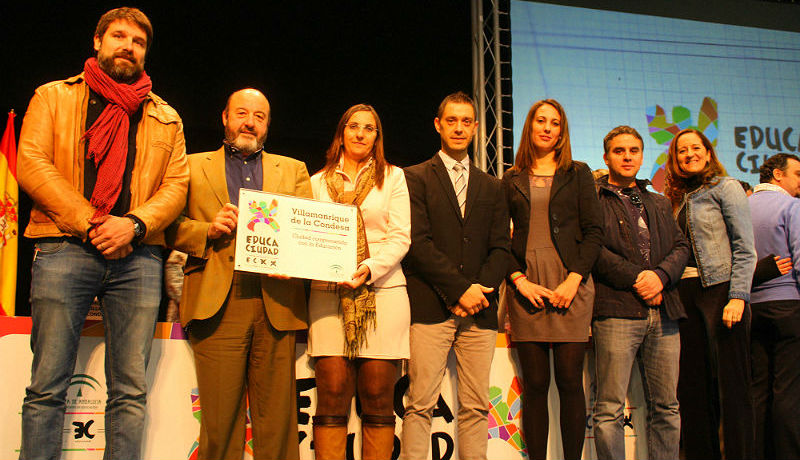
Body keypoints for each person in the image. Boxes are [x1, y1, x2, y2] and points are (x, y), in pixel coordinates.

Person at [16, 7, 189, 459]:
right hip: (63, 246)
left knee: (130, 391)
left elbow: (176, 186)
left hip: (138, 256)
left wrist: (133, 224)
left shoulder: (166, 117)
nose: (128, 46)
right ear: (98, 42)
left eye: (138, 41)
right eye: (119, 36)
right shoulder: (53, 96)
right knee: (47, 385)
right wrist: (92, 221)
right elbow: (31, 162)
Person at [165, 88, 311, 460]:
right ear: (225, 117)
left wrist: (294, 261)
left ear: (267, 125)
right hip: (218, 302)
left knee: (277, 423)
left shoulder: (293, 169)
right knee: (219, 422)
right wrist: (207, 230)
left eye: (259, 116)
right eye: (242, 113)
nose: (250, 122)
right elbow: (167, 226)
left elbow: (305, 235)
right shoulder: (191, 164)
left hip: (275, 302)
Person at [401, 92, 510, 460]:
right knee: (419, 404)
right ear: (438, 125)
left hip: (480, 310)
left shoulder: (493, 186)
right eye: (452, 121)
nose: (459, 128)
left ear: (476, 127)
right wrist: (460, 290)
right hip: (431, 306)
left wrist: (478, 291)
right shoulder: (414, 177)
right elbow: (417, 244)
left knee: (476, 407)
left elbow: (501, 248)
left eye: (466, 121)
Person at [308, 104, 410, 460]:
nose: (360, 134)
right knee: (332, 390)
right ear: (342, 132)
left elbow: (401, 236)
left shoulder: (393, 178)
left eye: (369, 128)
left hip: (383, 291)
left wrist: (368, 268)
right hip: (328, 293)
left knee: (379, 394)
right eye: (353, 126)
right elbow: (306, 238)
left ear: (377, 137)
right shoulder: (316, 182)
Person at [503, 99, 602, 460]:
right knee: (535, 385)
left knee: (570, 381)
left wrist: (574, 280)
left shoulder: (579, 173)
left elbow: (594, 232)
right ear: (530, 126)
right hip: (526, 287)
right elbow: (499, 239)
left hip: (570, 286)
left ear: (562, 132)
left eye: (555, 123)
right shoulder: (511, 178)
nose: (547, 128)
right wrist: (519, 281)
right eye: (541, 121)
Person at [591, 126, 688, 460]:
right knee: (609, 408)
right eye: (619, 151)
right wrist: (639, 279)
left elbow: (681, 246)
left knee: (668, 406)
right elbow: (593, 251)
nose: (627, 157)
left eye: (633, 150)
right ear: (606, 157)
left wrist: (660, 277)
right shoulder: (594, 200)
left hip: (665, 312)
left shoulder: (658, 201)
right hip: (617, 310)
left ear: (642, 155)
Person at [664, 128, 757, 460]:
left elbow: (745, 248)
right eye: (681, 150)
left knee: (732, 388)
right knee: (693, 389)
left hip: (721, 292)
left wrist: (738, 296)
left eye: (695, 148)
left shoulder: (726, 187)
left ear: (708, 152)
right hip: (684, 296)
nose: (689, 154)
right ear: (675, 159)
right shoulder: (675, 199)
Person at [749, 153, 800, 460]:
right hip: (788, 307)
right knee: (788, 391)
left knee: (758, 390)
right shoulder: (791, 206)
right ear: (778, 175)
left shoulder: (743, 206)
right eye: (798, 174)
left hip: (751, 308)